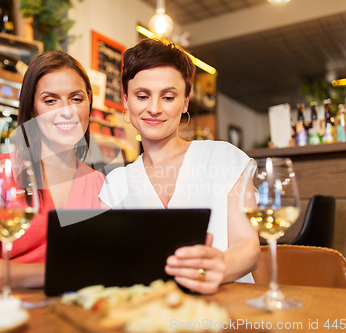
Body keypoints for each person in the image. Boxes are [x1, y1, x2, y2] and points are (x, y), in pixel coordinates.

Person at [99, 38, 260, 295]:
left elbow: (248, 246)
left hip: (229, 309)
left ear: (185, 102)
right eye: (142, 96)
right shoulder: (114, 183)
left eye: (168, 96)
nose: (154, 108)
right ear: (127, 101)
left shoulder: (224, 158)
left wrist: (217, 269)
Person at [0, 51, 104, 292]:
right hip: (9, 316)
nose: (66, 110)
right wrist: (62, 272)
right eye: (50, 100)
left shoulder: (99, 183)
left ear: (89, 102)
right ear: (32, 109)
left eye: (76, 99)